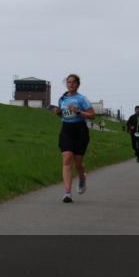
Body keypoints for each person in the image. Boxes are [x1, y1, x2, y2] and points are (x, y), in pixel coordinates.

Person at [54, 74, 96, 202]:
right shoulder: (62, 99)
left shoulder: (82, 99)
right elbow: (63, 115)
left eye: (73, 82)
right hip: (66, 130)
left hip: (80, 131)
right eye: (68, 82)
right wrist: (58, 113)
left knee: (78, 163)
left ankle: (82, 178)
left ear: (77, 84)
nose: (70, 84)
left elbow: (92, 115)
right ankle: (67, 193)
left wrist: (78, 112)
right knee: (67, 159)